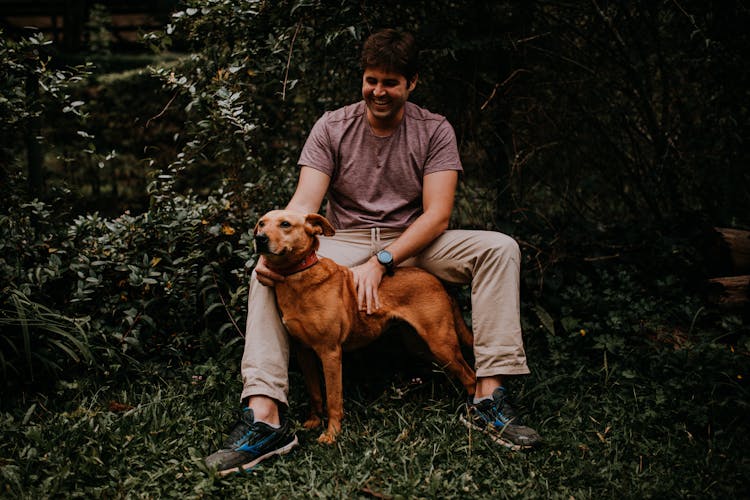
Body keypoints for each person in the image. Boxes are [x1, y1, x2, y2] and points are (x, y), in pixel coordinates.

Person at [205, 28, 541, 475]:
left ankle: (489, 395)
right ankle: (265, 414)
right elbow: (304, 205)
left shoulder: (434, 129)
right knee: (264, 274)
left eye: (390, 82)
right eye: (371, 80)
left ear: (412, 83)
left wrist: (383, 261)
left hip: (415, 241)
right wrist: (278, 245)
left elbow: (437, 216)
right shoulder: (332, 126)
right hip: (346, 239)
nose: (378, 91)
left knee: (500, 247)